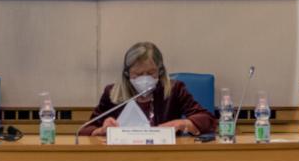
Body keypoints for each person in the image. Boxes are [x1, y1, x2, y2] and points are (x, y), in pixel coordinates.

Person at [79, 41, 216, 136]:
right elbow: (84, 129)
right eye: (138, 74)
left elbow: (208, 119)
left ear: (160, 71)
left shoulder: (175, 90)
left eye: (151, 73)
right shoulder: (112, 93)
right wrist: (102, 130)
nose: (145, 78)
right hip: (123, 157)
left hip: (165, 156)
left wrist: (182, 123)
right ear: (127, 74)